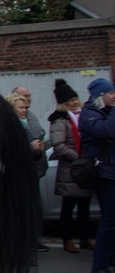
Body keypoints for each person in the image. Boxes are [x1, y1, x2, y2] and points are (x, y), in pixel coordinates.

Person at [48, 79, 94, 253]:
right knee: (68, 207)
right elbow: (59, 146)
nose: (74, 102)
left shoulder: (84, 116)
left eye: (75, 99)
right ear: (64, 104)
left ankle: (85, 238)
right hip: (71, 170)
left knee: (85, 206)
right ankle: (67, 239)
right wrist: (79, 158)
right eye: (70, 100)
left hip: (84, 169)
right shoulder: (60, 120)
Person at [78, 78, 115, 273]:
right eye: (110, 93)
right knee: (109, 221)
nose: (113, 96)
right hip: (104, 173)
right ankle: (99, 266)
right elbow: (107, 132)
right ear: (99, 96)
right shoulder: (90, 114)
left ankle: (110, 260)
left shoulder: (107, 113)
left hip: (112, 171)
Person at [6, 92, 49, 252]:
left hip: (28, 175)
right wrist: (31, 149)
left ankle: (30, 242)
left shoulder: (24, 125)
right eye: (21, 107)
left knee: (29, 212)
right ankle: (19, 248)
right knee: (18, 214)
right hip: (16, 178)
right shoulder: (9, 128)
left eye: (26, 107)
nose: (25, 110)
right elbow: (11, 154)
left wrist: (37, 152)